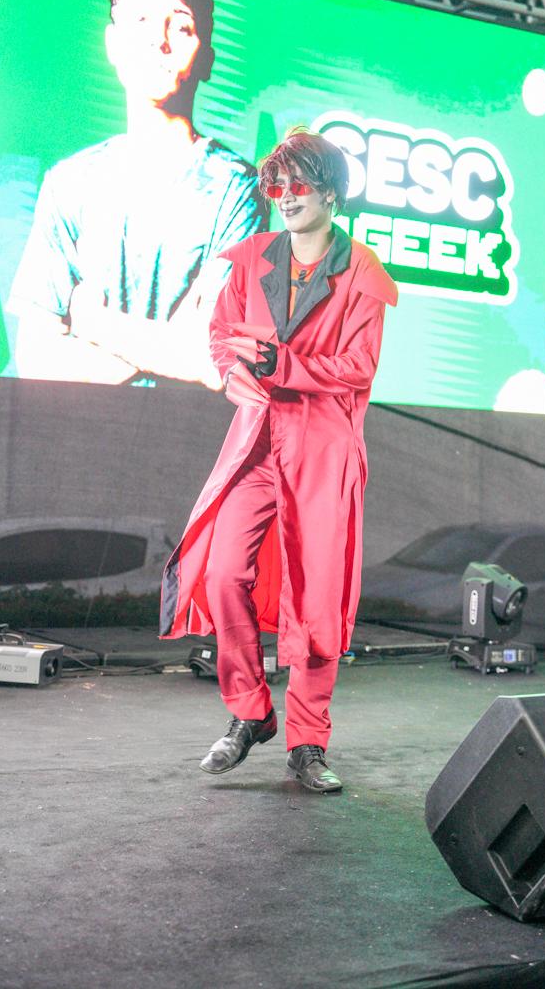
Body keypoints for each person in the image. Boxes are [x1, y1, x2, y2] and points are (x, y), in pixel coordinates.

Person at [159, 129, 398, 792]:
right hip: (258, 443)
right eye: (278, 186)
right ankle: (250, 711)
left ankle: (308, 743)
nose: (286, 197)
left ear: (331, 194)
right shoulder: (253, 258)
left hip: (323, 450)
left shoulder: (363, 273)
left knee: (317, 602)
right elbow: (220, 332)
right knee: (222, 573)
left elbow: (359, 367)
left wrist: (283, 363)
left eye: (300, 185)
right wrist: (230, 371)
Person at [8, 0, 267, 387]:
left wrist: (93, 323)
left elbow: (215, 359)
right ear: (112, 43)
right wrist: (167, 351)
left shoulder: (237, 189)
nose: (158, 42)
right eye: (141, 21)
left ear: (206, 59)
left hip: (187, 428)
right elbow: (35, 355)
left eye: (181, 27)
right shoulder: (69, 183)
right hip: (75, 426)